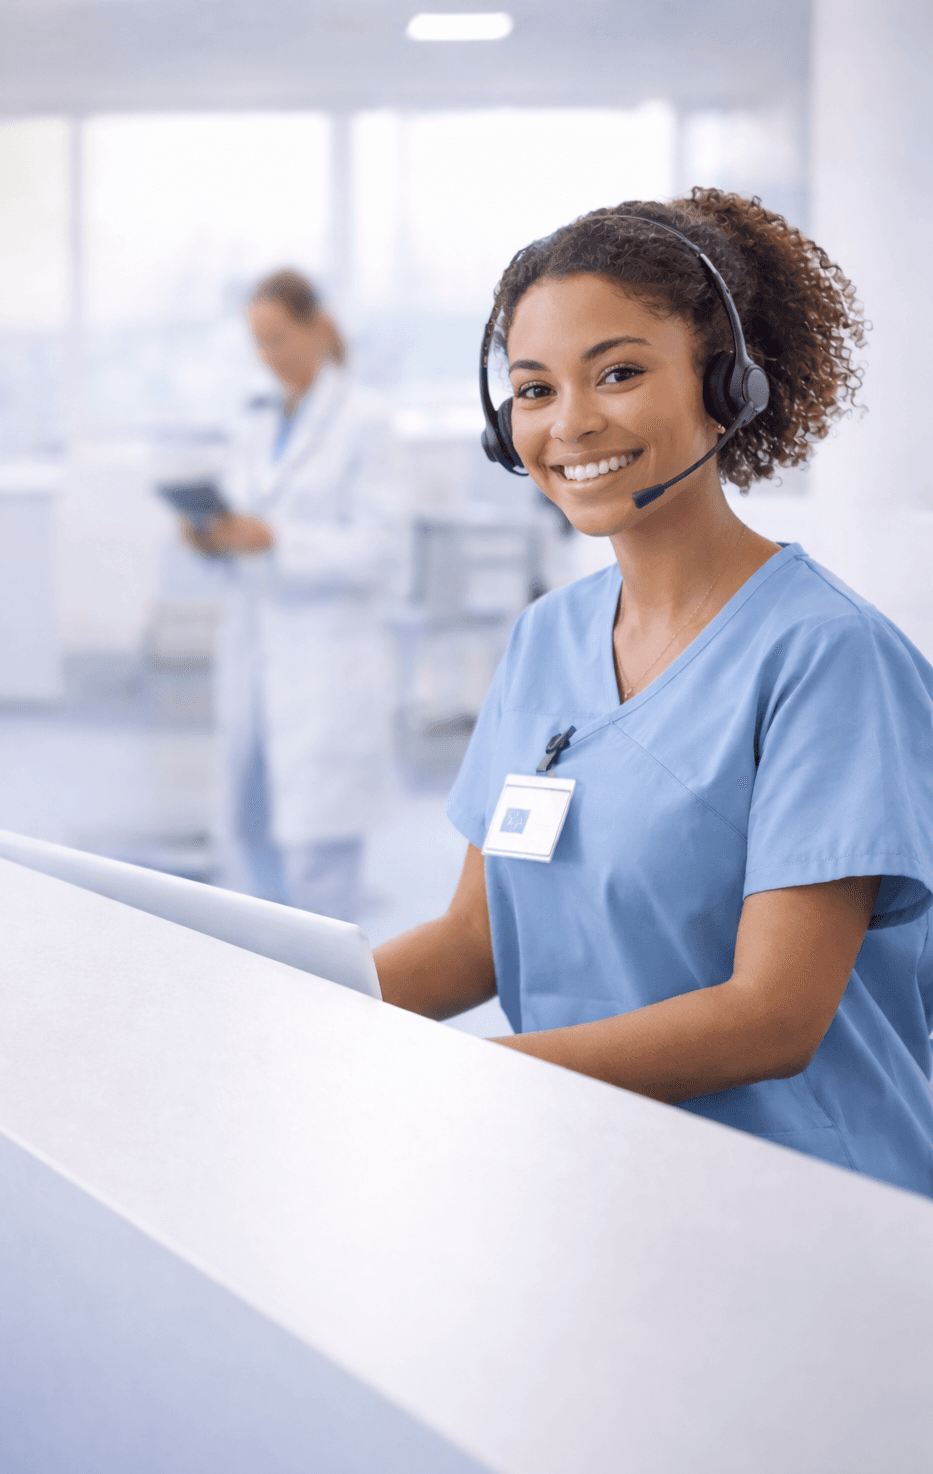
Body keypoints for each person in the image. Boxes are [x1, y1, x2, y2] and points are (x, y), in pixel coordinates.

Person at [375, 188, 933, 1199]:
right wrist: (281, 1003)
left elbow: (772, 1016)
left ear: (728, 384)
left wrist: (467, 1084)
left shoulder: (826, 658)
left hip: (815, 1207)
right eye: (534, 390)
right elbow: (475, 942)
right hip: (593, 1179)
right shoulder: (545, 640)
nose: (570, 424)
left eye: (619, 373)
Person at [185, 270, 403, 920]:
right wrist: (215, 538)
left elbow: (382, 548)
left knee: (320, 862)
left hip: (326, 666)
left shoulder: (366, 422)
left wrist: (276, 540)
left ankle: (326, 1001)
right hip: (255, 658)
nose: (267, 355)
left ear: (317, 328)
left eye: (277, 337)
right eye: (257, 341)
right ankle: (269, 992)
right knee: (252, 836)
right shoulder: (257, 422)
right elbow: (245, 527)